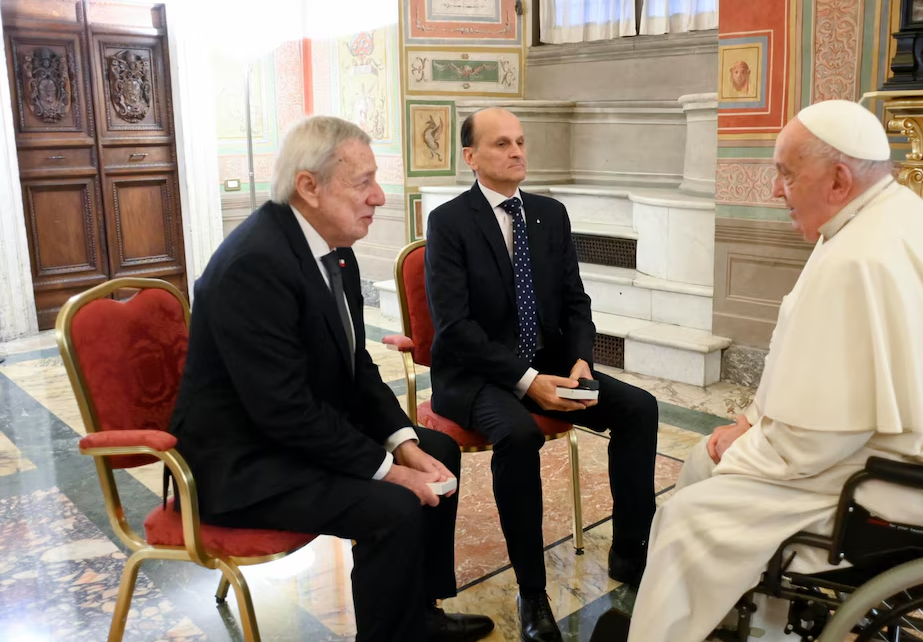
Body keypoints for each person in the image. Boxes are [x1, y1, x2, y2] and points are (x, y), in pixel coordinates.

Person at [625, 99, 923, 641]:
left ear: (838, 179)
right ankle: (761, 628)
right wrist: (749, 423)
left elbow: (816, 442)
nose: (774, 189)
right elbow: (809, 367)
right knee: (706, 460)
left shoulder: (860, 258)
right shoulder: (888, 214)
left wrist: (743, 446)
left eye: (786, 173)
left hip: (905, 471)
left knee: (689, 519)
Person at [168, 116, 494, 642]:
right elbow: (283, 410)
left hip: (288, 435)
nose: (380, 196)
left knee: (438, 452)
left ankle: (420, 614)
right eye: (363, 182)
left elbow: (354, 364)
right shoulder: (255, 264)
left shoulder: (331, 249)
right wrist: (387, 471)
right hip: (244, 462)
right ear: (309, 187)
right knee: (393, 506)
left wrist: (402, 444)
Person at [423, 107, 661, 642]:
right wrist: (528, 382)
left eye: (521, 142)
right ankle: (532, 593)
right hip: (475, 376)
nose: (517, 152)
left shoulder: (549, 214)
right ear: (472, 157)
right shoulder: (450, 222)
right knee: (519, 432)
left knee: (639, 408)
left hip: (551, 365)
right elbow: (455, 328)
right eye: (503, 143)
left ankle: (630, 551)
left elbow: (576, 300)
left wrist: (580, 360)